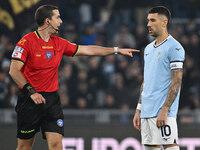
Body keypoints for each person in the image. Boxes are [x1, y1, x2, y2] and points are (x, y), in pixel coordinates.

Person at [9, 5, 139, 150]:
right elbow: (14, 71)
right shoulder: (26, 42)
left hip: (51, 100)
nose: (61, 21)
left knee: (56, 144)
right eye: (57, 17)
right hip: (29, 98)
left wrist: (116, 50)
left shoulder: (59, 43)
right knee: (24, 147)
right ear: (47, 21)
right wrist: (32, 92)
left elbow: (88, 49)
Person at [133, 6, 185, 150]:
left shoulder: (175, 47)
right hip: (146, 111)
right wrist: (139, 109)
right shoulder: (148, 49)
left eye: (152, 20)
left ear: (164, 22)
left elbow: (177, 81)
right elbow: (146, 81)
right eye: (148, 20)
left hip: (163, 111)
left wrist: (165, 110)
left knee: (170, 146)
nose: (148, 24)